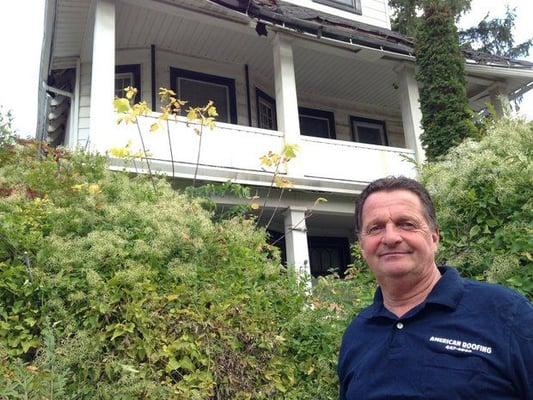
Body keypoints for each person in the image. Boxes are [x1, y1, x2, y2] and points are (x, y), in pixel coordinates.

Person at [338, 176, 532, 399]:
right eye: (375, 228)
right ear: (362, 246)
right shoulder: (357, 334)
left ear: (434, 237)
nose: (390, 237)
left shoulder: (507, 314)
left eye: (406, 224)